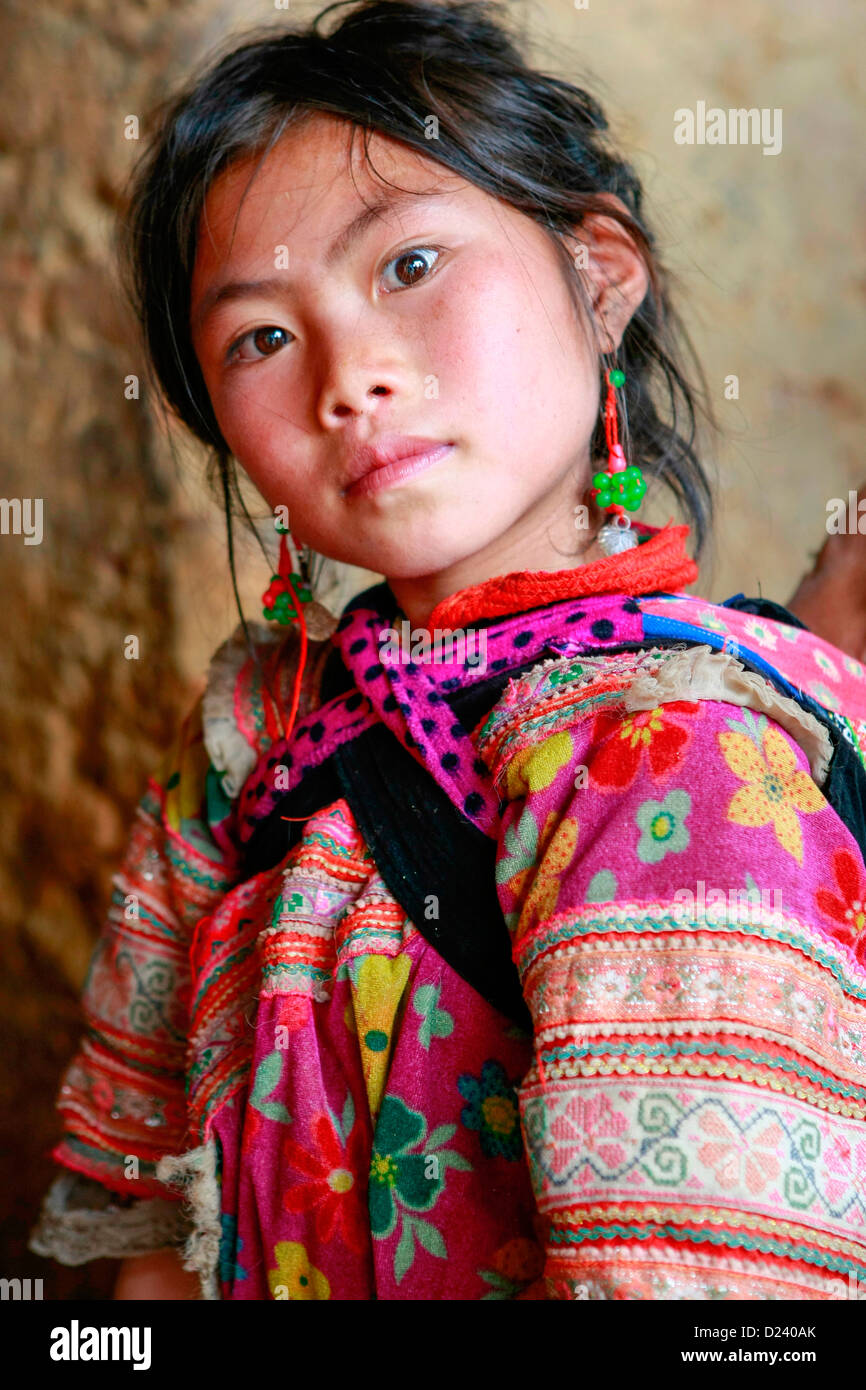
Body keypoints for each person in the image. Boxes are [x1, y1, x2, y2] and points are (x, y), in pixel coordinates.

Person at [29, 0, 866, 1301]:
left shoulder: (675, 761)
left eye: (408, 264)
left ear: (598, 276)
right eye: (260, 336)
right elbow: (149, 1223)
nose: (347, 372)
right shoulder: (246, 750)